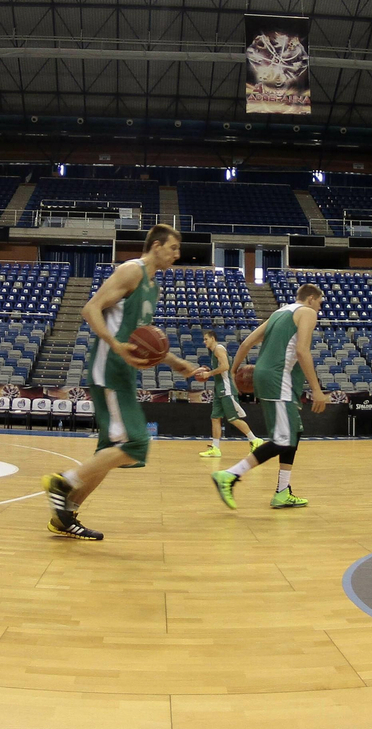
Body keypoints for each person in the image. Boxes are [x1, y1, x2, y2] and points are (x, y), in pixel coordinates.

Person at [42, 225, 206, 540]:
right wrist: (116, 346)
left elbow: (142, 336)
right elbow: (89, 309)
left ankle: (65, 517)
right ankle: (62, 481)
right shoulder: (131, 271)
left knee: (108, 451)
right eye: (172, 248)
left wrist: (177, 363)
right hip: (110, 367)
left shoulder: (152, 286)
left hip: (124, 371)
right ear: (156, 246)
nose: (177, 254)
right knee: (136, 443)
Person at [211, 283, 327, 509]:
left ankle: (283, 491)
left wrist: (234, 370)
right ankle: (230, 475)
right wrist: (316, 389)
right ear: (311, 298)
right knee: (282, 439)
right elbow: (303, 351)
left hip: (266, 375)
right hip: (278, 378)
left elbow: (246, 342)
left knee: (295, 431)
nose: (320, 309)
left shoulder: (279, 312)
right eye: (320, 303)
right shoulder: (307, 312)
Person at [193, 327, 262, 457]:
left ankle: (255, 440)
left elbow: (225, 367)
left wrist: (209, 373)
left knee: (233, 419)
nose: (204, 342)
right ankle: (215, 448)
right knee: (215, 418)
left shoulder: (219, 349)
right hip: (219, 389)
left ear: (213, 339)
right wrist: (209, 371)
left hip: (226, 389)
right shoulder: (214, 351)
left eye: (206, 339)